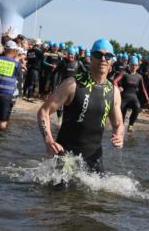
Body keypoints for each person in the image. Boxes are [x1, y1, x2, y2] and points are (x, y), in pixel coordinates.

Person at [38, 38, 124, 173]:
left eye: (107, 56)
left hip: (94, 159)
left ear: (112, 61)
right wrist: (48, 140)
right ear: (91, 58)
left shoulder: (114, 92)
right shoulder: (72, 84)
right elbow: (44, 112)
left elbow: (118, 124)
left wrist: (119, 135)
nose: (103, 59)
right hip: (66, 157)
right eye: (98, 54)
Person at [115, 56, 149, 134]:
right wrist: (118, 87)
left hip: (133, 97)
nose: (134, 67)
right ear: (129, 65)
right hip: (124, 97)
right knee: (122, 115)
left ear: (138, 66)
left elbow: (143, 89)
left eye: (136, 65)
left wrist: (148, 100)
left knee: (137, 107)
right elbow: (114, 81)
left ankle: (130, 125)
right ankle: (120, 129)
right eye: (132, 65)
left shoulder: (139, 76)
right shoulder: (124, 73)